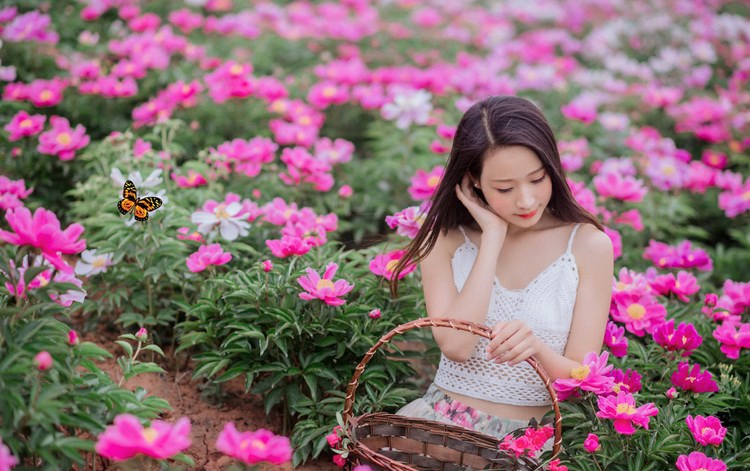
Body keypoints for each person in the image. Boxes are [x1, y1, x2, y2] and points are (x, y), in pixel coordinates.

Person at [389, 95, 614, 442]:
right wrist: (493, 237)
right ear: (473, 181)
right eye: (505, 188)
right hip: (438, 431)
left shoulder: (587, 246)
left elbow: (582, 374)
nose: (525, 201)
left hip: (528, 443)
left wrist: (535, 348)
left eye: (537, 179)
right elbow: (456, 345)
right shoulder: (446, 238)